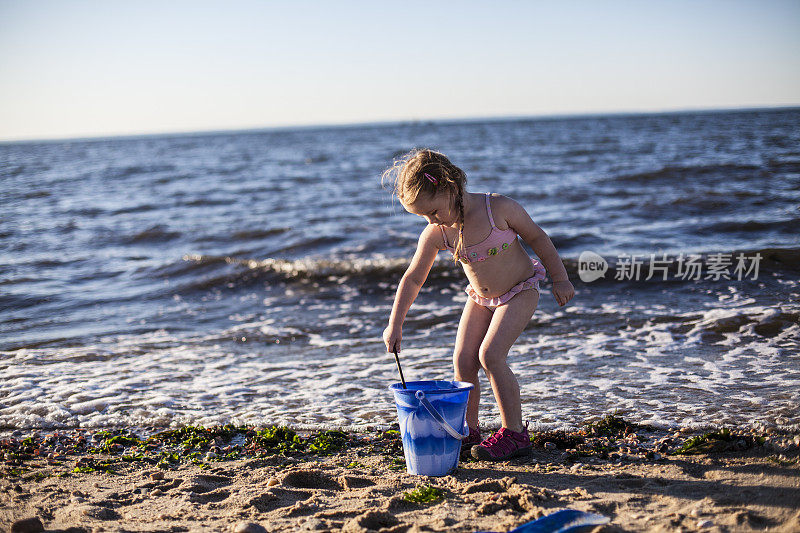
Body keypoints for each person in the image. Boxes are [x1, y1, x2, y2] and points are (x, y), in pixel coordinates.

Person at [381, 148, 575, 461]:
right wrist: (395, 324)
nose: (430, 221)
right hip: (481, 298)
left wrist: (561, 279)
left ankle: (515, 433)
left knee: (491, 355)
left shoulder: (497, 208)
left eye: (432, 212)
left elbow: (538, 238)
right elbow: (413, 278)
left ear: (449, 188)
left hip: (521, 290)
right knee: (462, 359)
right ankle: (470, 430)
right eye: (423, 217)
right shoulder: (437, 233)